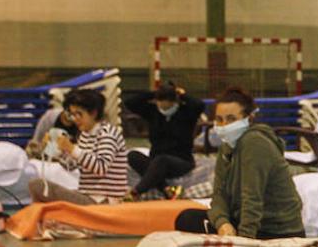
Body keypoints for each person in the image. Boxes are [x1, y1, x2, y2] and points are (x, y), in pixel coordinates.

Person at [174, 86, 304, 239]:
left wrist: (244, 242)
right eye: (219, 119)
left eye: (231, 119)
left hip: (276, 230)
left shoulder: (254, 142)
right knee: (187, 218)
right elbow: (219, 195)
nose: (224, 125)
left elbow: (252, 199)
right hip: (241, 221)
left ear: (248, 118)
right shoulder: (227, 146)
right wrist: (223, 223)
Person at [29, 88, 127, 204]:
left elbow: (101, 167)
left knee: (38, 186)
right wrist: (59, 150)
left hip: (104, 200)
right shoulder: (85, 134)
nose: (75, 119)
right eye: (72, 115)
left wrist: (72, 148)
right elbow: (71, 166)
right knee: (39, 186)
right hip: (88, 195)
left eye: (79, 114)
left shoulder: (107, 134)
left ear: (93, 113)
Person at [123, 81, 205, 196]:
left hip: (181, 161)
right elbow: (129, 103)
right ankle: (166, 188)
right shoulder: (153, 112)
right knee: (132, 155)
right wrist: (154, 93)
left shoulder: (186, 112)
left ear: (174, 102)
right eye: (160, 105)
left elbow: (200, 105)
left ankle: (136, 192)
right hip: (155, 161)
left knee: (162, 160)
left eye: (167, 107)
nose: (163, 109)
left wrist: (181, 94)